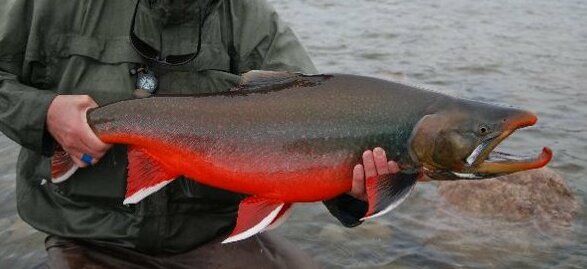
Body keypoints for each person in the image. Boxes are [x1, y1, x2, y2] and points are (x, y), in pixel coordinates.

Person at [0, 0, 400, 268]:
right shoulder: (47, 6)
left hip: (209, 235)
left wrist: (351, 193)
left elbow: (315, 127)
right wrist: (44, 114)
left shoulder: (249, 19)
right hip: (86, 233)